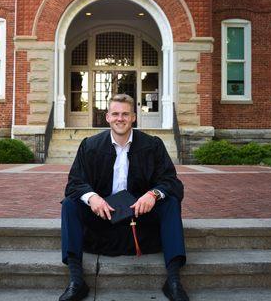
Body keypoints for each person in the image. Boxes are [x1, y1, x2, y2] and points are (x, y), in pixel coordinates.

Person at [59, 94, 189, 301]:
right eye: (116, 114)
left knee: (170, 202)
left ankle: (173, 280)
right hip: (102, 218)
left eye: (125, 114)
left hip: (140, 218)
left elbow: (171, 182)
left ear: (134, 117)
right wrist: (92, 198)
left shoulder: (152, 145)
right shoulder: (90, 146)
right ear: (108, 117)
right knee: (70, 205)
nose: (120, 118)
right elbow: (74, 183)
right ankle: (76, 279)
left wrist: (152, 194)